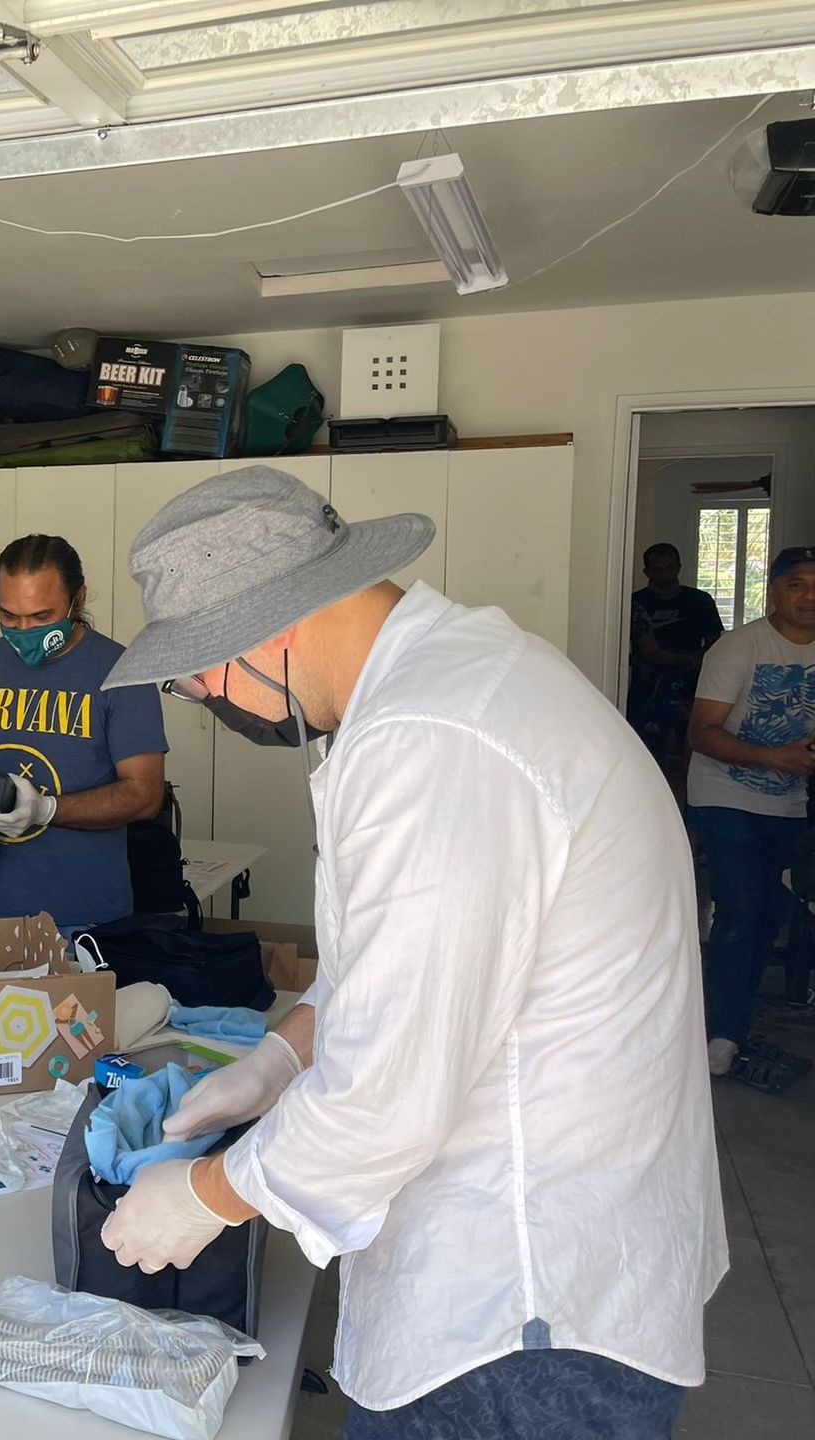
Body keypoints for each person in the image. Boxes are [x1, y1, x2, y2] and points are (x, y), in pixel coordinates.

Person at [100, 468, 725, 1438]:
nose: (201, 697)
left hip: (518, 1318)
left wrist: (208, 1196)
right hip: (550, 1270)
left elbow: (389, 1097)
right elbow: (412, 966)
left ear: (265, 633)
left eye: (194, 675)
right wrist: (283, 1056)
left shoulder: (434, 740)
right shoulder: (467, 679)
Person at [0, 535, 166, 933]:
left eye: (41, 617)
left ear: (79, 599)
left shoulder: (123, 672)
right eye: (9, 616)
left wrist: (46, 810)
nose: (24, 630)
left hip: (88, 919)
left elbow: (144, 795)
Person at [687, 544, 815, 1084]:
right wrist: (773, 757)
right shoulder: (737, 648)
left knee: (772, 914)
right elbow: (701, 734)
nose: (809, 597)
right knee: (741, 911)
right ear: (774, 590)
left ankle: (744, 1010)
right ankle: (722, 1034)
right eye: (797, 584)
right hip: (726, 795)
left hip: (796, 802)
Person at [628, 542, 723, 768]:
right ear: (647, 572)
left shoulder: (699, 601)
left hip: (692, 685)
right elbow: (645, 650)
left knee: (693, 751)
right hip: (647, 686)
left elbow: (715, 644)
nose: (665, 575)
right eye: (658, 569)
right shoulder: (634, 604)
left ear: (679, 567)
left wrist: (693, 661)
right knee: (644, 753)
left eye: (670, 567)